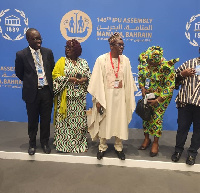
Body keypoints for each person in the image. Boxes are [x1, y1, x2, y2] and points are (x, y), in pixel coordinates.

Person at [87, 33, 137, 160]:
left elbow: (129, 82)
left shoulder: (125, 60)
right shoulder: (101, 60)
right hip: (106, 97)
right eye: (119, 45)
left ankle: (118, 146)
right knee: (104, 121)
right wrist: (98, 100)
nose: (122, 47)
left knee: (120, 121)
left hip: (120, 98)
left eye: (123, 45)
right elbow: (97, 81)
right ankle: (102, 146)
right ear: (111, 45)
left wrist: (128, 98)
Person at [15, 28, 55, 155]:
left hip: (47, 92)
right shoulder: (21, 54)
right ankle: (32, 143)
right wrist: (32, 82)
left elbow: (52, 70)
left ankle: (44, 142)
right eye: (35, 38)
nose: (38, 41)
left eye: (39, 38)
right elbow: (19, 73)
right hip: (32, 92)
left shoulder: (48, 52)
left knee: (45, 119)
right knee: (32, 120)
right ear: (28, 40)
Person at [137, 46, 178, 157]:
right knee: (145, 115)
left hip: (162, 97)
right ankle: (146, 139)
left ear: (157, 60)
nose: (149, 65)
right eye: (148, 62)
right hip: (149, 93)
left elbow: (170, 87)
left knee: (156, 118)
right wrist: (142, 88)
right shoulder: (146, 62)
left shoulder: (166, 67)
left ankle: (155, 142)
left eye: (151, 63)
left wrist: (158, 100)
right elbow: (141, 76)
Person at [52, 39, 90, 153]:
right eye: (66, 47)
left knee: (78, 124)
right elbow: (55, 76)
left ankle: (79, 144)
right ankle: (64, 145)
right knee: (65, 124)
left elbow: (89, 75)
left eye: (71, 47)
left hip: (79, 100)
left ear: (77, 50)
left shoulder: (83, 62)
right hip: (65, 99)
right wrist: (69, 79)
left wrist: (84, 79)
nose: (67, 49)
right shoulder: (61, 61)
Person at [171, 57, 200, 165]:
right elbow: (172, 79)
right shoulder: (189, 63)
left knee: (198, 131)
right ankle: (178, 151)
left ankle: (192, 153)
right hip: (185, 103)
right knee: (182, 129)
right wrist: (182, 74)